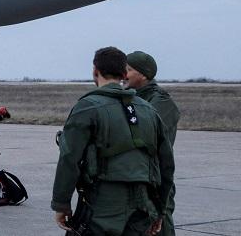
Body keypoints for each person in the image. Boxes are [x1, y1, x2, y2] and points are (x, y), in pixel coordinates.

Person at [52, 47, 174, 236]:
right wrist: (160, 210)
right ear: (124, 74)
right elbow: (166, 165)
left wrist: (61, 203)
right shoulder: (149, 110)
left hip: (103, 204)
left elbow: (69, 158)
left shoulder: (87, 107)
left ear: (95, 71)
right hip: (143, 205)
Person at [126, 51, 180, 236]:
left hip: (156, 183)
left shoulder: (161, 101)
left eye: (129, 69)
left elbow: (146, 137)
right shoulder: (131, 98)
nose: (123, 74)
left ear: (143, 74)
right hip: (137, 180)